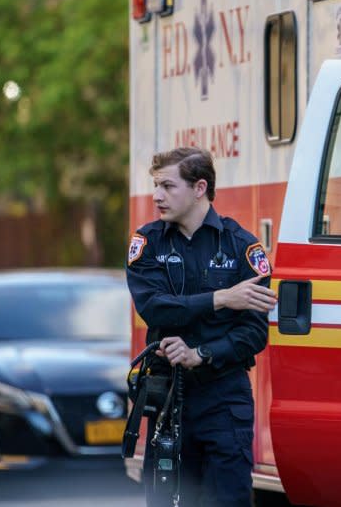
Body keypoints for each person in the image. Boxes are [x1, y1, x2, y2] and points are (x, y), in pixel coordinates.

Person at [125, 146, 278, 507]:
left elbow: (254, 333)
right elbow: (155, 308)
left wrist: (201, 354)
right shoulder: (147, 244)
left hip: (224, 400)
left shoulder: (242, 247)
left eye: (167, 185)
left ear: (199, 188)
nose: (156, 196)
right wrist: (221, 298)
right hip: (167, 403)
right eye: (155, 185)